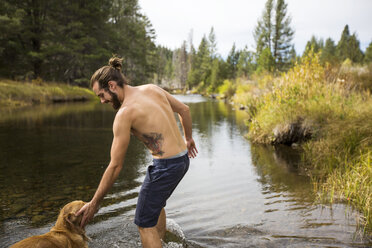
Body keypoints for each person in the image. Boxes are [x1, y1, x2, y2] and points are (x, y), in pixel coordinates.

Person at [76, 57, 198, 248]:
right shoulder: (151, 88)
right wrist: (188, 138)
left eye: (102, 95)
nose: (101, 101)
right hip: (182, 160)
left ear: (112, 85)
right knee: (154, 205)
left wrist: (94, 204)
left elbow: (115, 166)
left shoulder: (125, 114)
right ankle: (162, 243)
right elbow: (184, 110)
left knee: (143, 222)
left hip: (166, 167)